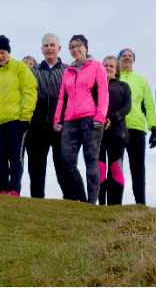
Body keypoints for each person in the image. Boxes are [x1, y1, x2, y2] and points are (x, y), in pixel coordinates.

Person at [0, 35, 37, 196]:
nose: (0, 56)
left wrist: (25, 117)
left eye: (3, 52)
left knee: (15, 157)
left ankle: (14, 189)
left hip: (15, 121)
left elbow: (29, 91)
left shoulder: (19, 68)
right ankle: (3, 188)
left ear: (8, 52)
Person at [53, 35, 108, 204]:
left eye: (78, 46)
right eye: (72, 47)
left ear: (86, 48)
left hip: (90, 119)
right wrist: (57, 119)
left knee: (91, 160)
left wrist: (100, 116)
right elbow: (62, 97)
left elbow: (103, 93)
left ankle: (92, 202)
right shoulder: (68, 71)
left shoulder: (97, 66)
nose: (75, 49)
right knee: (67, 161)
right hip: (70, 121)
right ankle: (83, 199)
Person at [26, 33, 69, 198]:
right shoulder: (31, 71)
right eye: (46, 46)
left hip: (61, 125)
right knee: (36, 168)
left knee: (63, 166)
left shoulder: (68, 70)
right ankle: (37, 202)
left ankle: (70, 200)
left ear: (59, 48)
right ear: (41, 49)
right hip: (37, 126)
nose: (49, 48)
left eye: (52, 45)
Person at [118, 48, 156, 205]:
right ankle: (115, 204)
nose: (127, 58)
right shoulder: (113, 77)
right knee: (116, 167)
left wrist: (154, 127)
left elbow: (149, 105)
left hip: (137, 129)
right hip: (116, 128)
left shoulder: (141, 80)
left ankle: (141, 203)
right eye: (124, 56)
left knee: (138, 168)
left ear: (133, 60)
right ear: (118, 59)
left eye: (130, 56)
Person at [98, 56, 131, 206]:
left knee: (115, 169)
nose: (108, 68)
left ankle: (115, 205)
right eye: (105, 65)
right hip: (99, 132)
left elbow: (127, 106)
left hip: (117, 133)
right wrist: (101, 119)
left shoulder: (123, 86)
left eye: (111, 66)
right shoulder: (96, 85)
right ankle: (100, 204)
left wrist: (114, 117)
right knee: (100, 168)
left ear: (116, 69)